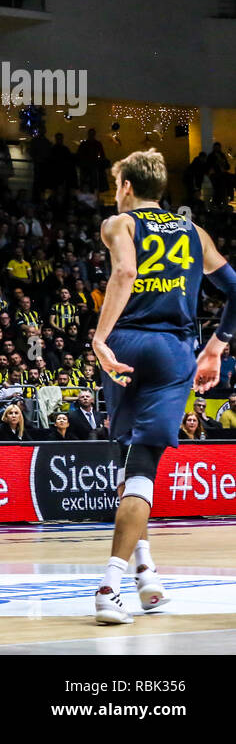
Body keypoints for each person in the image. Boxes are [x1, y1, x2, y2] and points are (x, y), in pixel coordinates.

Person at [92, 149, 236, 623]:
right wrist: (216, 346)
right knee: (142, 466)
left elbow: (125, 272)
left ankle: (133, 577)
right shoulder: (195, 232)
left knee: (126, 459)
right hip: (174, 348)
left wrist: (99, 337)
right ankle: (129, 577)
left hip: (126, 343)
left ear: (126, 188)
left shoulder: (120, 224)